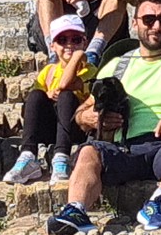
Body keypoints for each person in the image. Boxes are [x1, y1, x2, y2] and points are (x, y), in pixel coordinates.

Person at [50, 0, 161, 235]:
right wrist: (89, 118)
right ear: (135, 23)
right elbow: (81, 112)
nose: (157, 26)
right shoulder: (117, 66)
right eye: (149, 19)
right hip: (124, 148)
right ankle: (76, 210)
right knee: (88, 150)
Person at [6, 11, 98, 185]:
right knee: (36, 95)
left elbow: (64, 84)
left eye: (76, 40)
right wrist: (47, 95)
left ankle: (62, 157)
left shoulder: (90, 71)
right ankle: (27, 154)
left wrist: (77, 57)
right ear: (53, 46)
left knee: (66, 95)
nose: (69, 45)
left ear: (84, 43)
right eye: (62, 40)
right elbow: (34, 103)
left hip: (75, 129)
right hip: (51, 127)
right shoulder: (48, 71)